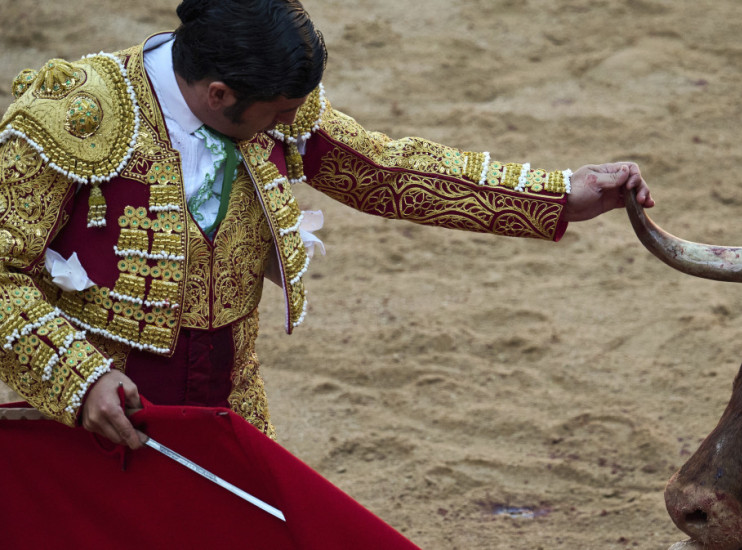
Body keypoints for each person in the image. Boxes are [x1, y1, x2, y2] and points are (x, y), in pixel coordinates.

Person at [0, 0, 654, 450]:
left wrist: (560, 193)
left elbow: (385, 174)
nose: (290, 123)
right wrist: (76, 377)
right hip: (101, 409)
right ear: (220, 95)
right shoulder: (71, 117)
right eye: (277, 113)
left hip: (230, 400)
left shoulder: (270, 98)